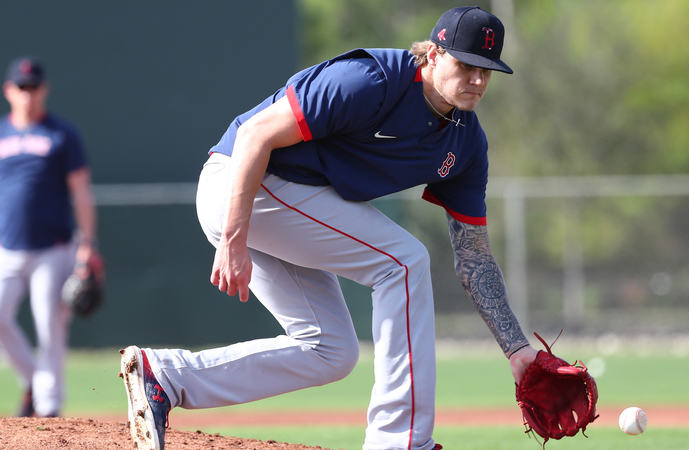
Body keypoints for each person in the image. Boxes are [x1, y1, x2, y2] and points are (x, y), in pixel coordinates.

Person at [121, 6, 539, 450]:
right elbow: (254, 137)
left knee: (331, 351)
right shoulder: (370, 81)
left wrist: (520, 353)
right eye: (467, 65)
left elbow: (473, 255)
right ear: (433, 54)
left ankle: (164, 377)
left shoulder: (466, 142)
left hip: (286, 203)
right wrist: (234, 237)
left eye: (487, 71)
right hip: (242, 182)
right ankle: (399, 442)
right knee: (404, 261)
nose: (477, 79)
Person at [0, 56, 102, 417]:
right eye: (21, 87)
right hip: (7, 248)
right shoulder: (1, 133)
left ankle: (49, 408)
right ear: (8, 90)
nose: (27, 94)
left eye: (33, 87)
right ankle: (34, 381)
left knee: (50, 328)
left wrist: (87, 246)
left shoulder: (61, 134)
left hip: (53, 248)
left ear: (43, 90)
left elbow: (81, 193)